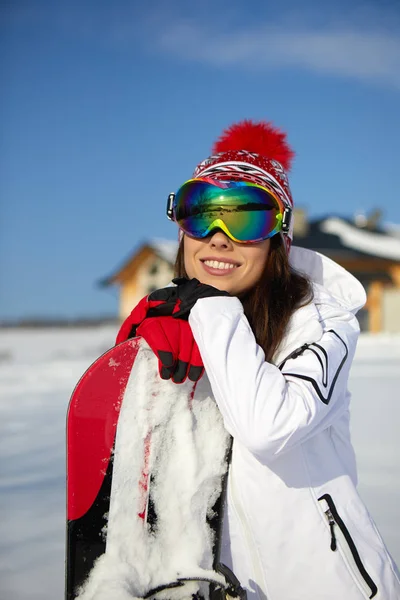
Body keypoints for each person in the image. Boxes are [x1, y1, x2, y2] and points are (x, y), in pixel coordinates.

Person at [116, 120, 400, 599]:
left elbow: (270, 426)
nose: (219, 238)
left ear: (278, 240)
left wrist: (209, 304)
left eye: (246, 220)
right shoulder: (181, 331)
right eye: (201, 215)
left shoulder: (323, 324)